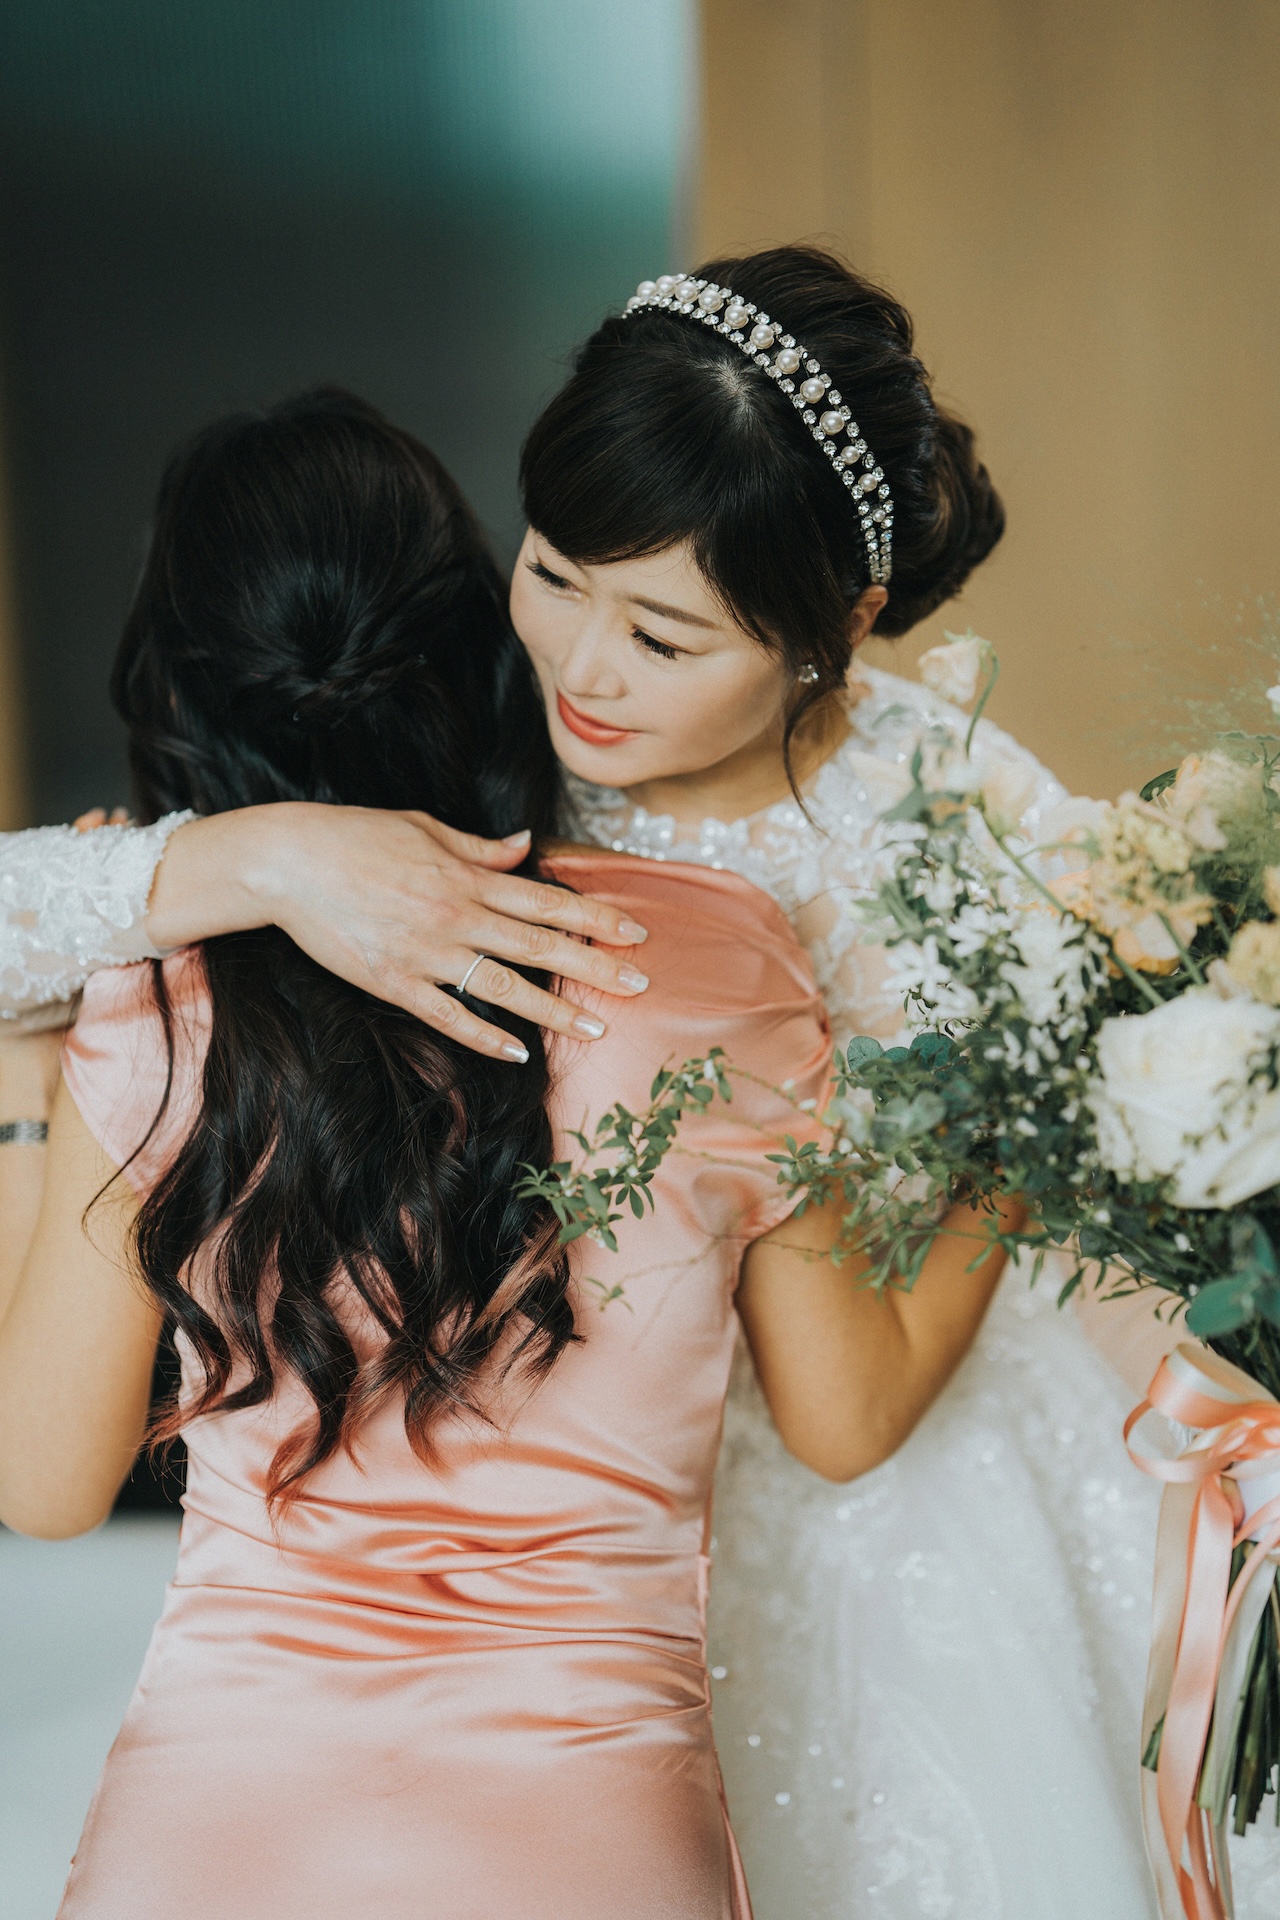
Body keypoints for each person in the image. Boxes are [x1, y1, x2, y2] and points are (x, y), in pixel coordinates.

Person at [0, 390, 1014, 1919]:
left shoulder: (157, 1000)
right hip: (591, 1836)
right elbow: (847, 1410)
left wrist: (29, 1091)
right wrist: (1020, 1151)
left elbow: (44, 1485)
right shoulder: (716, 961)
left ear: (176, 691)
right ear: (478, 631)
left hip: (214, 1836)